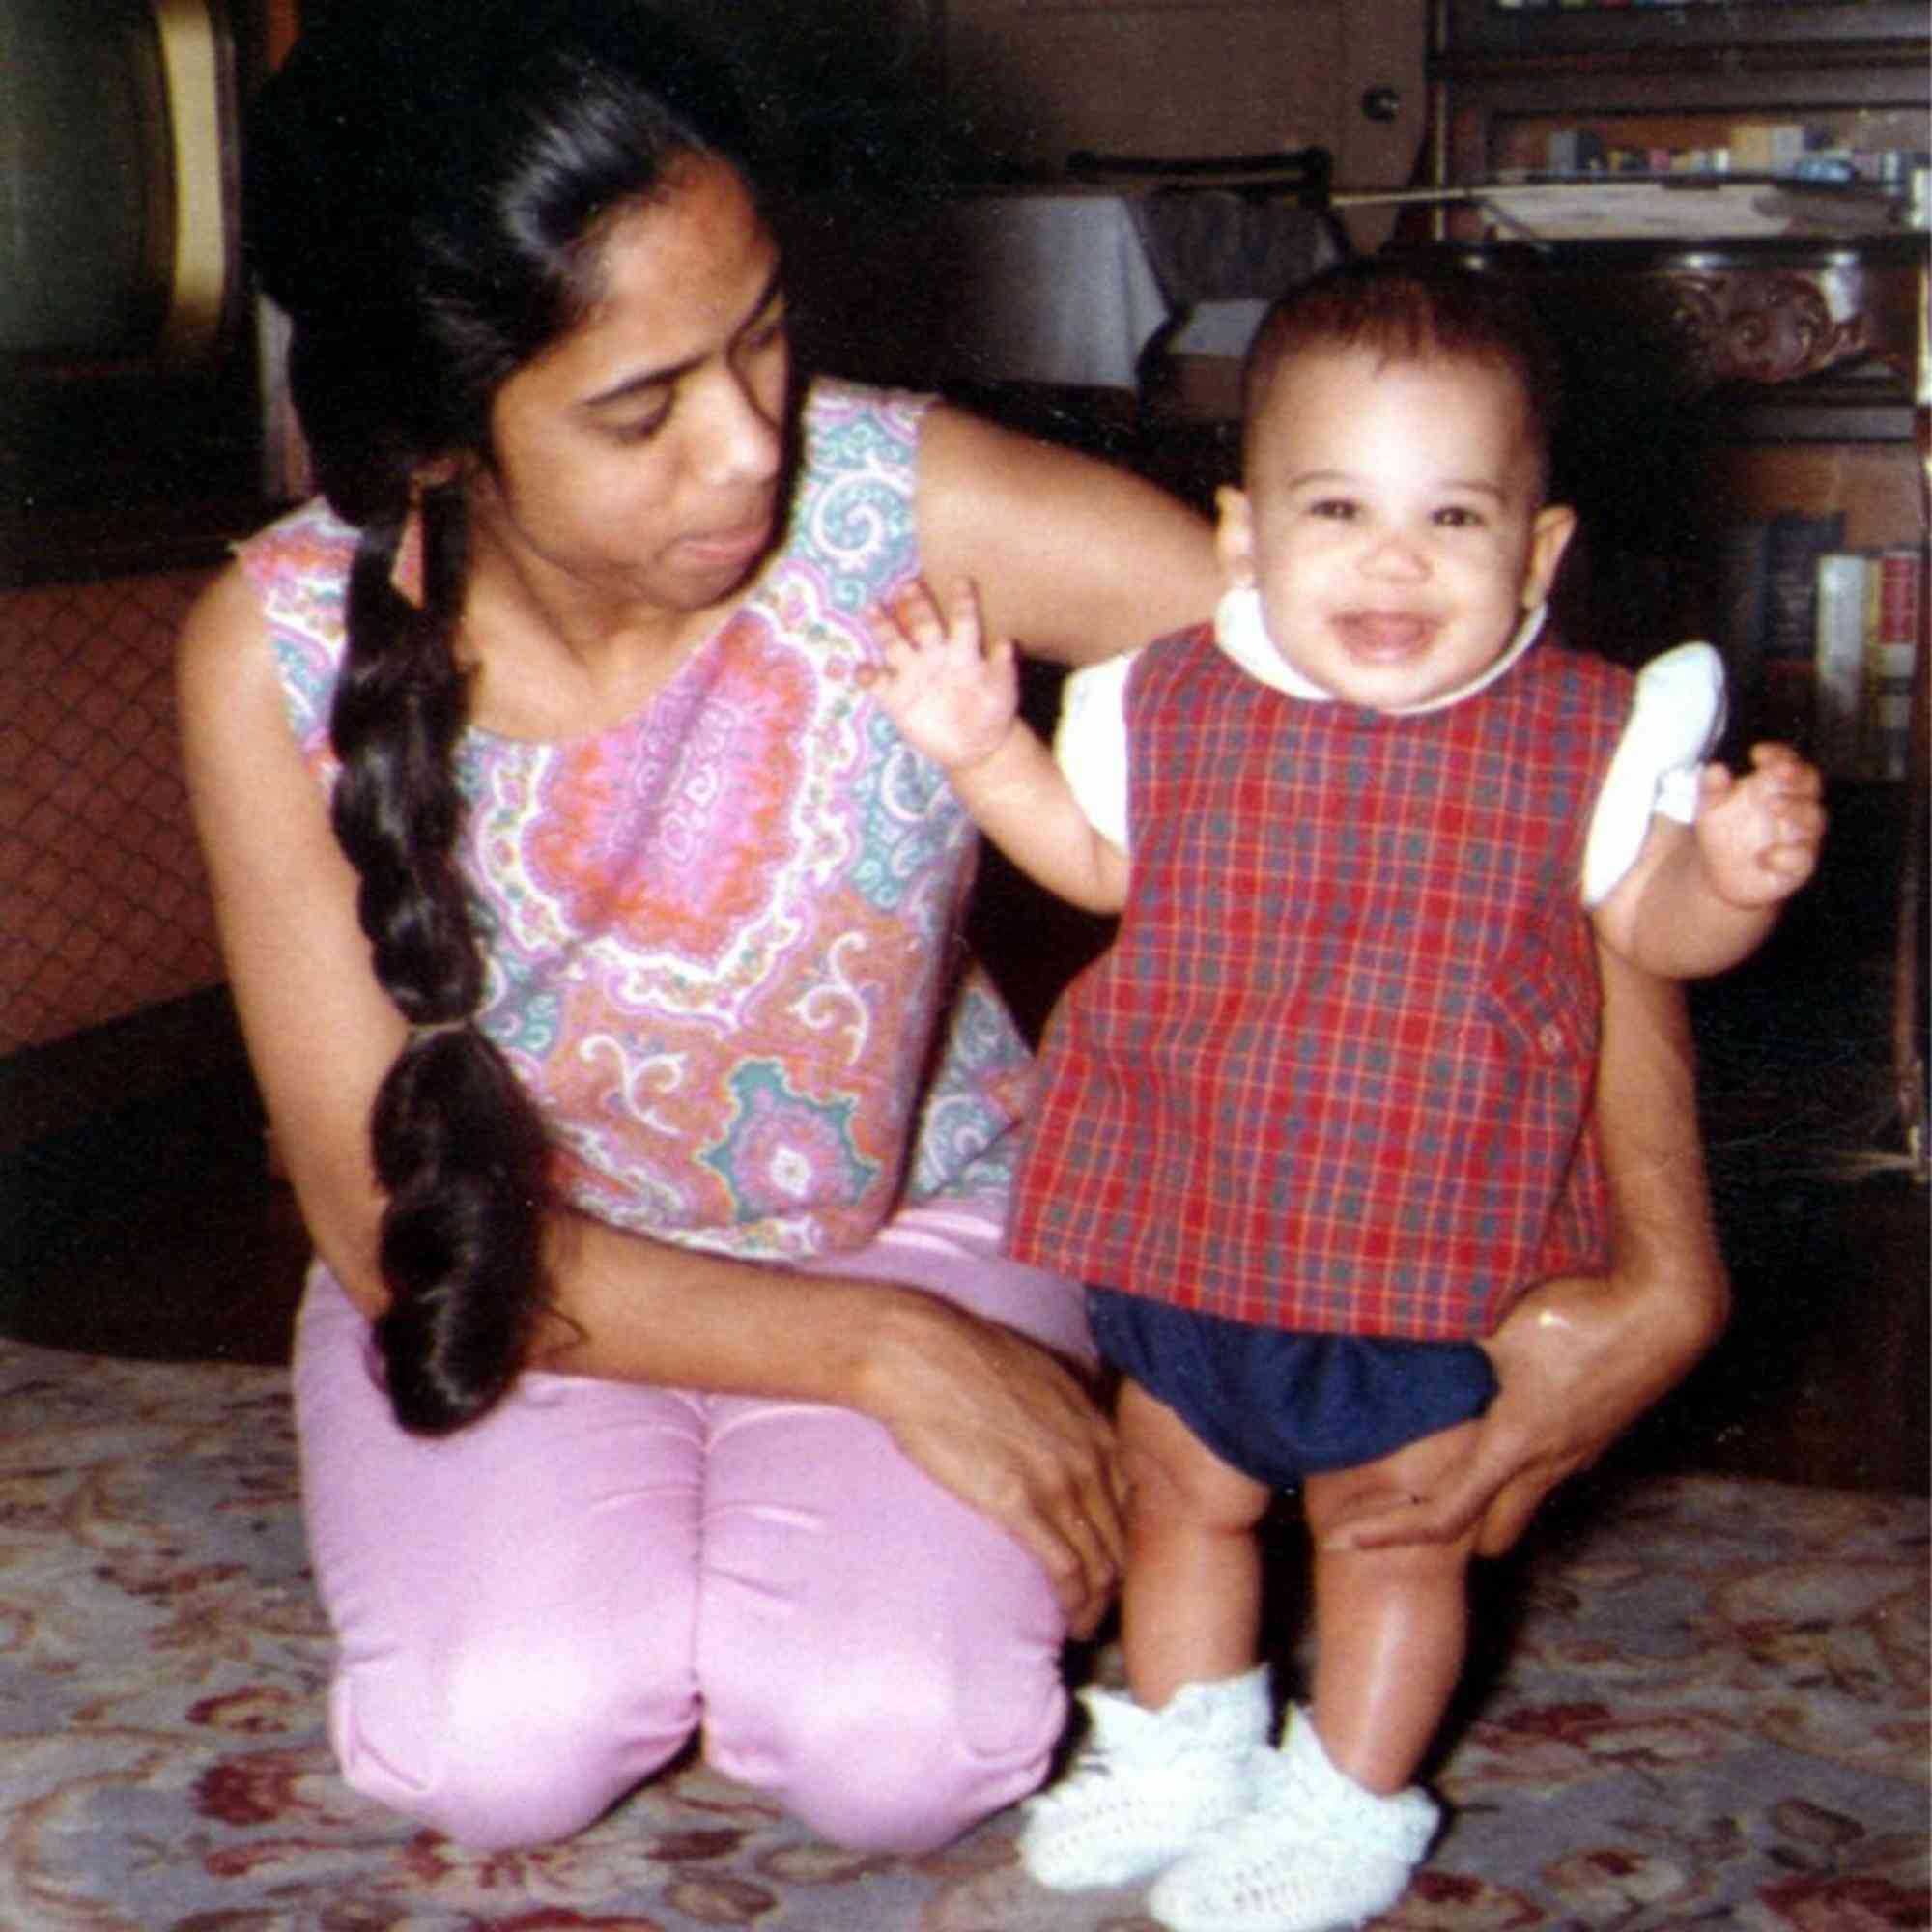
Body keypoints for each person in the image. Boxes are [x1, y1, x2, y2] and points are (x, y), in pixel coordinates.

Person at [177, 0, 1731, 1865]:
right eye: (640, 404)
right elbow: (384, 1227)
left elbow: (1486, 761)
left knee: (906, 1750)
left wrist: (1664, 1252)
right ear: (438, 432)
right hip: (504, 1278)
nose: (753, 446)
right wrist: (883, 1356)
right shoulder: (263, 653)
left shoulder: (900, 503)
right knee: (497, 1747)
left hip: (923, 1211)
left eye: (762, 334)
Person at [869, 261, 1824, 1929]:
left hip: (1427, 1251)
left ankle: (1349, 1797)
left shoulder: (1584, 738)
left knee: (1399, 1536)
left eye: (1456, 520)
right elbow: (1092, 869)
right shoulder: (1157, 701)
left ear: (1537, 553)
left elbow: (1651, 932)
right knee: (1183, 1495)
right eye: (1338, 509)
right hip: (1189, 1214)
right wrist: (980, 750)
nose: (1393, 560)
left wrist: (1732, 878)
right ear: (1243, 539)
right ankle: (1183, 1748)